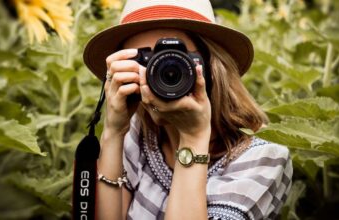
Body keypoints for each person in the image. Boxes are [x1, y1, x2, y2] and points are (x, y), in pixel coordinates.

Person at [83, 0, 293, 219]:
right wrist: (113, 132)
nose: (161, 72)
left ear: (213, 68)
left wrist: (193, 136)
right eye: (145, 60)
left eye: (177, 56)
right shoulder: (139, 130)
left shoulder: (265, 158)